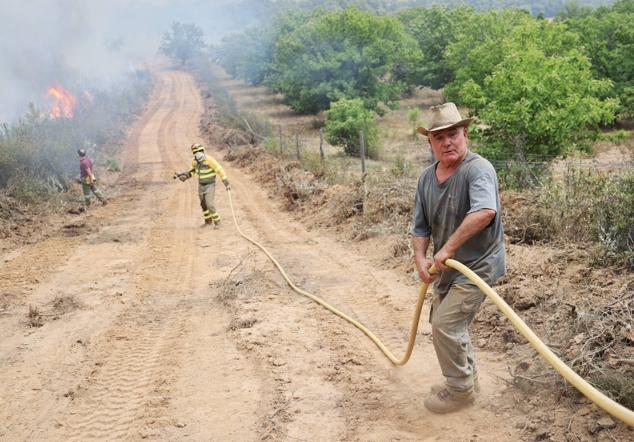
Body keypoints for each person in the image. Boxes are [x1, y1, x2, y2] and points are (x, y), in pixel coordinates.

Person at [411, 102, 506, 414]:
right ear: (431, 143)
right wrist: (421, 259)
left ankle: (460, 391)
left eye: (453, 134)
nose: (447, 142)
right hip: (446, 268)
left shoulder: (478, 170)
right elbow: (420, 226)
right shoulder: (426, 178)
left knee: (446, 324)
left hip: (478, 265)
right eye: (439, 137)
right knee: (445, 324)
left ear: (465, 134)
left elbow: (484, 211)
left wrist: (447, 249)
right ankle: (469, 381)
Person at [176, 143, 231, 226]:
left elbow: (220, 170)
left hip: (210, 185)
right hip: (201, 185)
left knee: (210, 204)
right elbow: (193, 171)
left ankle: (218, 222)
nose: (198, 153)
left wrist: (226, 183)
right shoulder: (195, 162)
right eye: (195, 152)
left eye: (199, 151)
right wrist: (185, 177)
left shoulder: (210, 160)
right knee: (203, 204)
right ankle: (208, 222)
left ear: (203, 150)